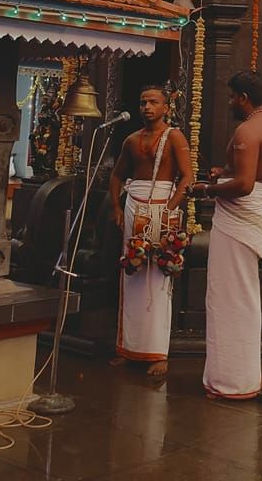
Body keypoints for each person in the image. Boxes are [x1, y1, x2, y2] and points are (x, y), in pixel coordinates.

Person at [187, 70, 262, 399]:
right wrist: (226, 171)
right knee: (243, 296)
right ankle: (242, 377)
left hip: (238, 218)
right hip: (257, 211)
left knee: (227, 298)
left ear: (243, 98)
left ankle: (230, 381)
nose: (229, 102)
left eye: (232, 97)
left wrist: (207, 189)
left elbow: (243, 187)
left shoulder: (247, 129)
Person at [110, 83, 192, 377]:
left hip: (161, 209)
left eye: (153, 102)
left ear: (166, 108)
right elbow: (117, 175)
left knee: (159, 276)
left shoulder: (175, 137)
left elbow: (187, 177)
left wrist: (169, 208)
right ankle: (127, 347)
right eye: (143, 102)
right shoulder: (131, 140)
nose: (147, 107)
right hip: (135, 207)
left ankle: (159, 352)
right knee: (131, 270)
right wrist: (116, 208)